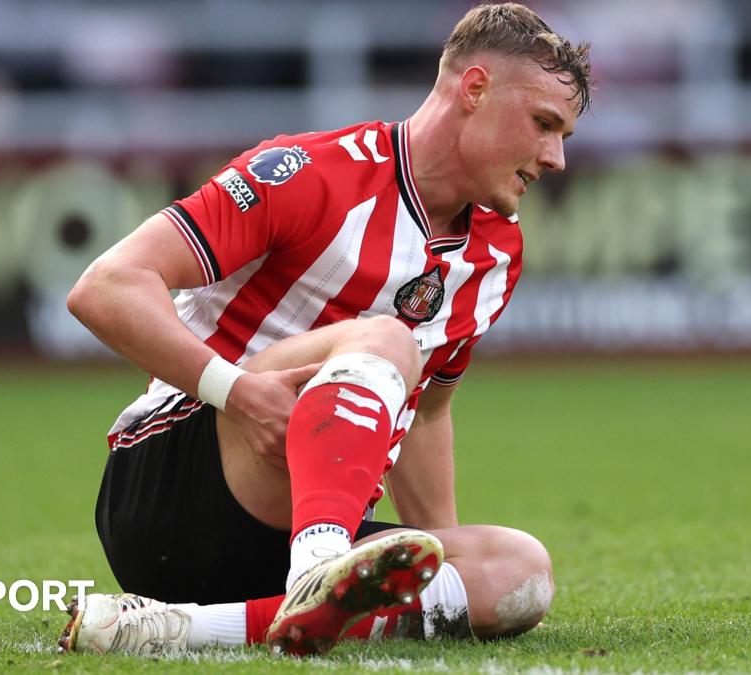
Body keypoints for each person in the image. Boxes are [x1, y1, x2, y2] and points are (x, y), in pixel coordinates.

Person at [57, 2, 591, 658]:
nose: (555, 157)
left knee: (519, 572)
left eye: (563, 135)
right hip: (172, 484)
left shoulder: (496, 253)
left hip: (300, 522)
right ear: (474, 89)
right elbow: (106, 286)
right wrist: (236, 392)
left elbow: (425, 417)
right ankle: (317, 567)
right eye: (544, 124)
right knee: (388, 340)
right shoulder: (309, 172)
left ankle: (177, 628)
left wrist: (440, 560)